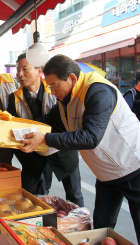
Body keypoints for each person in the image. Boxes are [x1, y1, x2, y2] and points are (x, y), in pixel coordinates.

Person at [18, 55, 140, 243]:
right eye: (49, 86)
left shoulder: (98, 92)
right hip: (106, 174)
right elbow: (47, 121)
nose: (51, 91)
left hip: (132, 167)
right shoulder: (65, 99)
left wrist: (45, 139)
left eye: (54, 85)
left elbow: (91, 137)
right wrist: (17, 130)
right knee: (101, 227)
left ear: (72, 79)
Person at [3, 54, 83, 205]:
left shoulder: (56, 90)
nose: (20, 74)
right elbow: (12, 128)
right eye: (18, 70)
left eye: (25, 69)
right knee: (30, 198)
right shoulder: (13, 98)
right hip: (33, 155)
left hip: (62, 149)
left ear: (39, 71)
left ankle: (81, 225)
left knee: (74, 195)